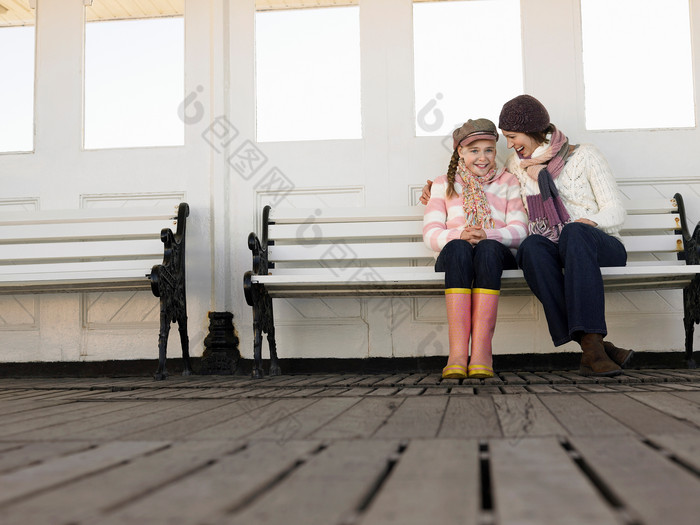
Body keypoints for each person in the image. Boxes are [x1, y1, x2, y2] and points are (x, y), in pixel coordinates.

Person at [497, 94, 633, 376]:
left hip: (600, 245)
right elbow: (482, 179)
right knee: (532, 246)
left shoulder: (585, 155)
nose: (509, 144)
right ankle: (593, 347)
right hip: (556, 248)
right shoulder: (514, 165)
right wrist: (440, 186)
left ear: (533, 129)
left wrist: (588, 222)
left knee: (574, 232)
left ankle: (592, 346)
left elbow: (616, 210)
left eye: (512, 136)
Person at [423, 119, 528, 379]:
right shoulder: (443, 184)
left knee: (488, 248)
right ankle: (458, 355)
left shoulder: (508, 181)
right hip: (456, 255)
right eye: (474, 150)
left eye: (489, 150)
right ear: (460, 152)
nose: (482, 157)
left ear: (496, 150)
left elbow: (520, 230)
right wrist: (460, 233)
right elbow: (431, 233)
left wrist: (487, 234)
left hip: (494, 255)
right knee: (459, 248)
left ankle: (481, 352)